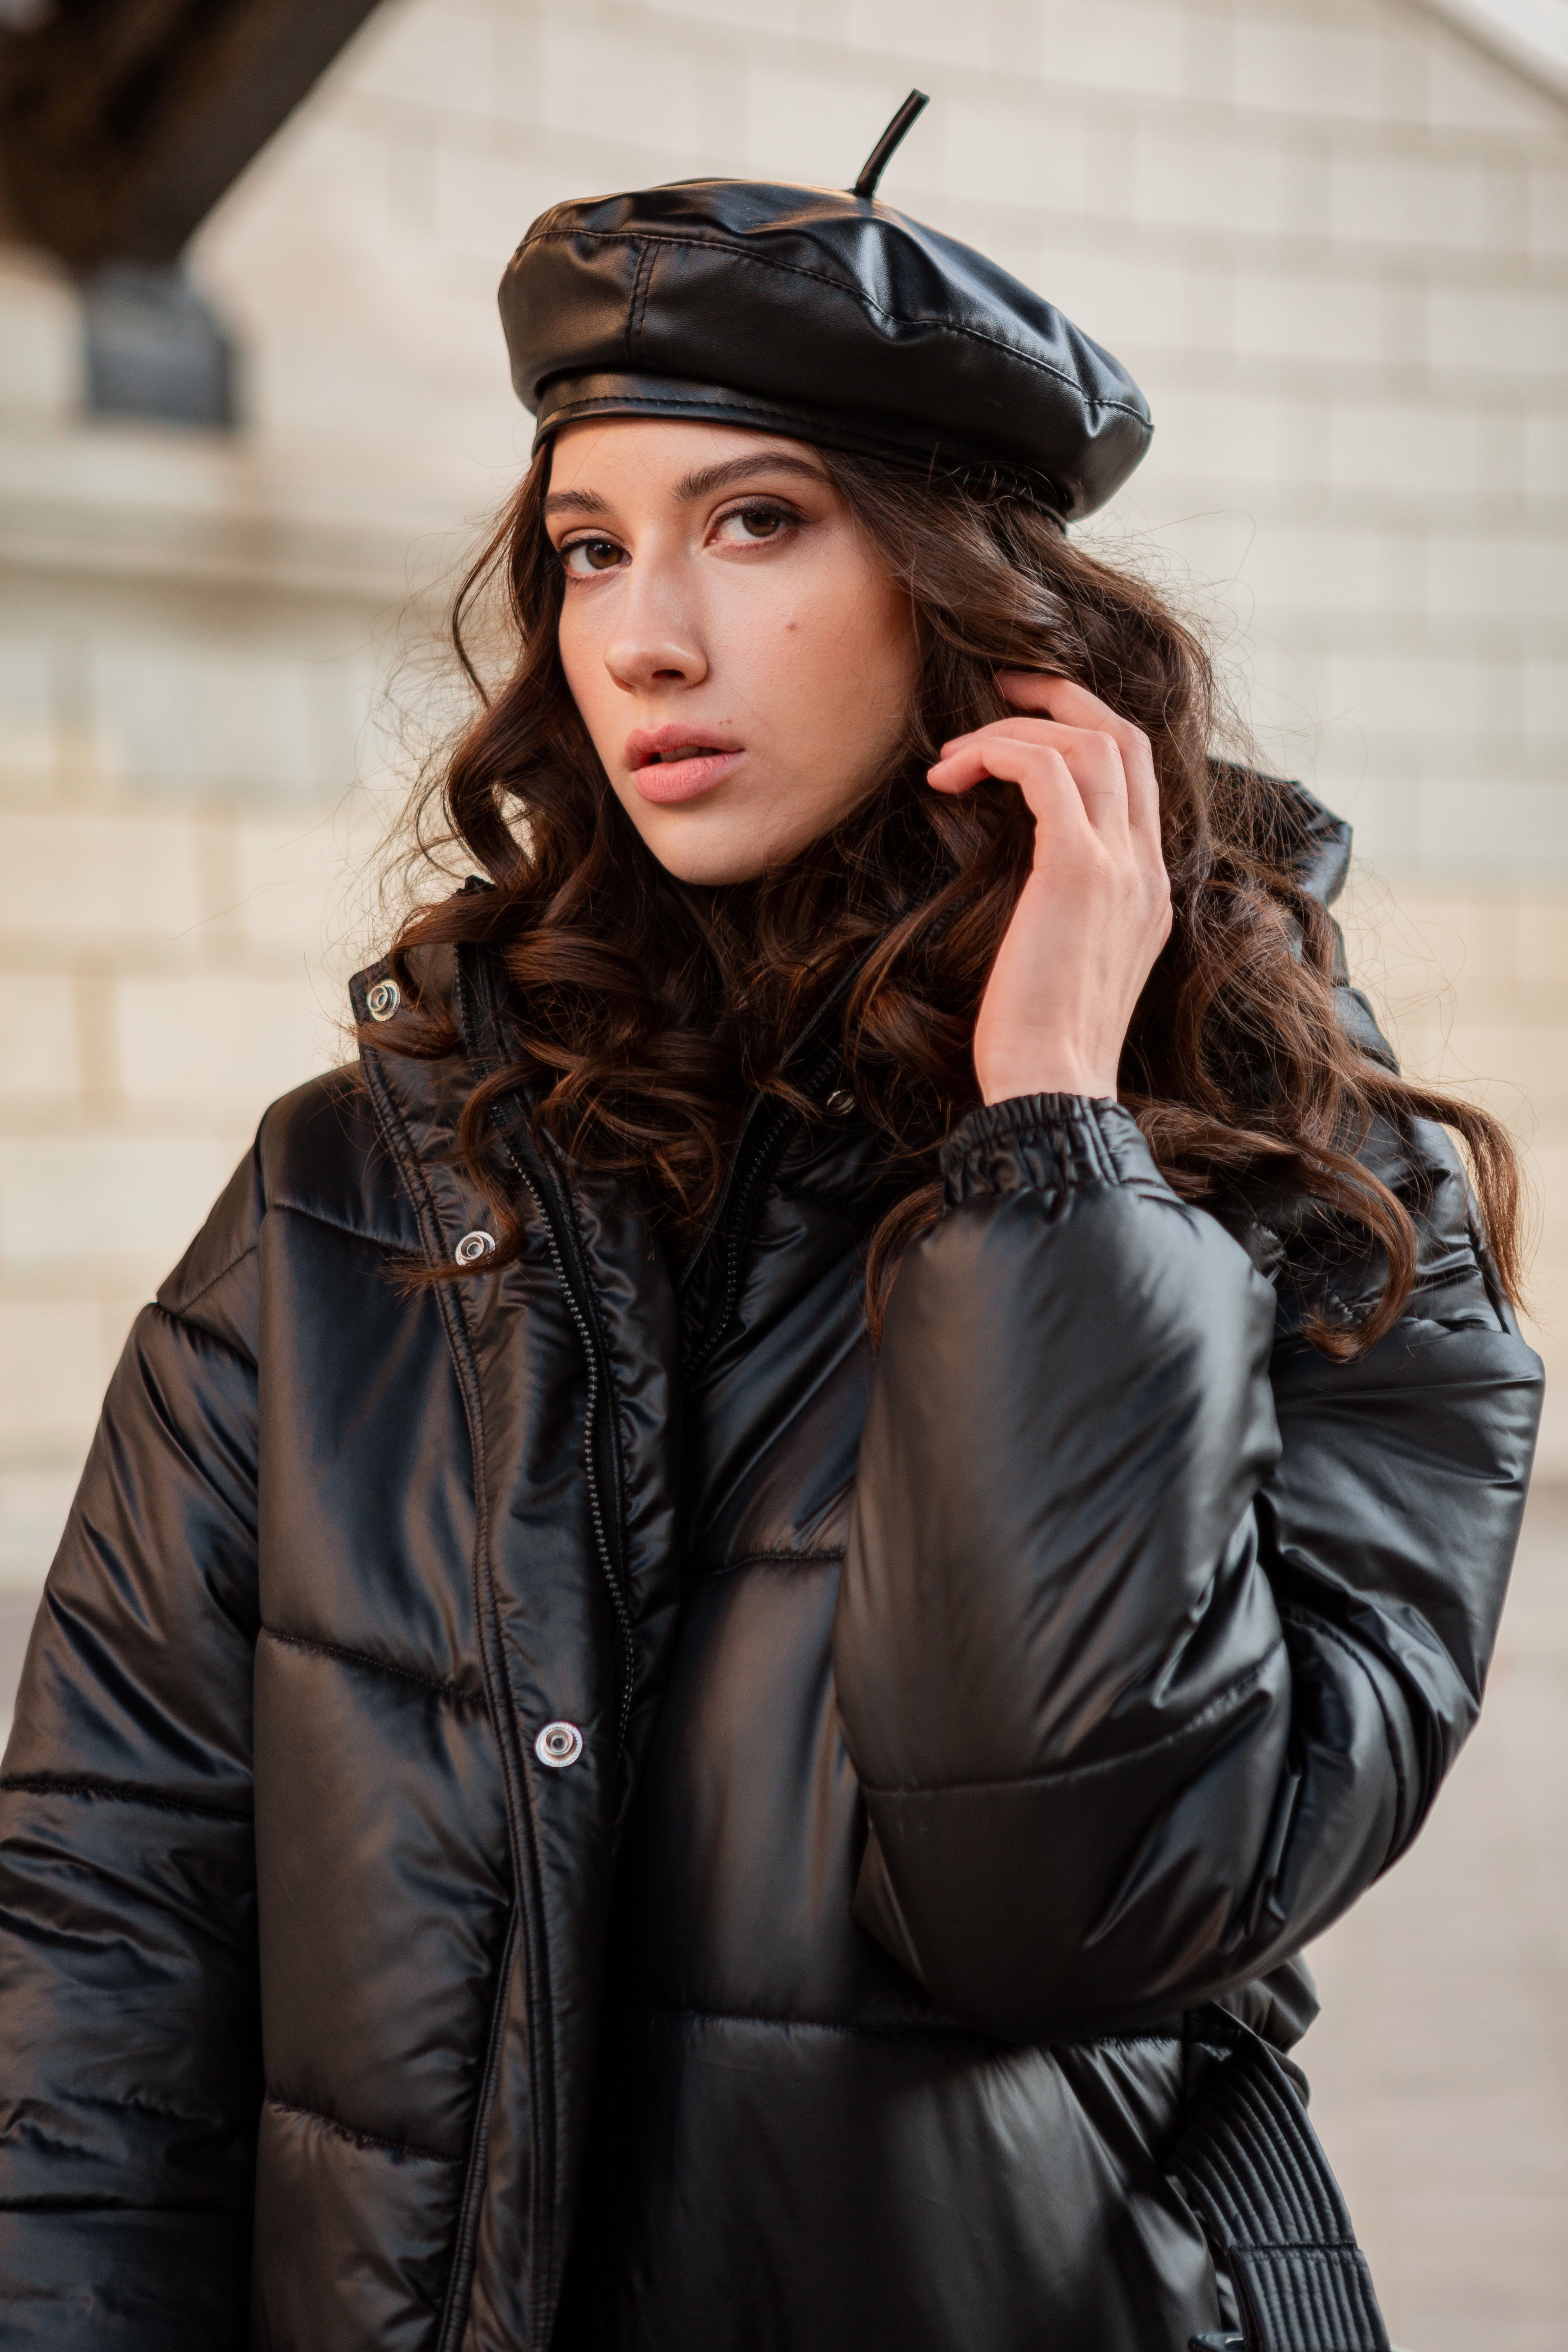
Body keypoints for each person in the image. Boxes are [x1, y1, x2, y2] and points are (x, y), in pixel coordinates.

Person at [0, 110, 1543, 2352]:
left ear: (969, 586)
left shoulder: (1299, 1198)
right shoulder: (358, 1194)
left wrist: (1049, 1155)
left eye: (755, 523)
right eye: (592, 548)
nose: (649, 638)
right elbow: (101, 1938)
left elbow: (1080, 1898)